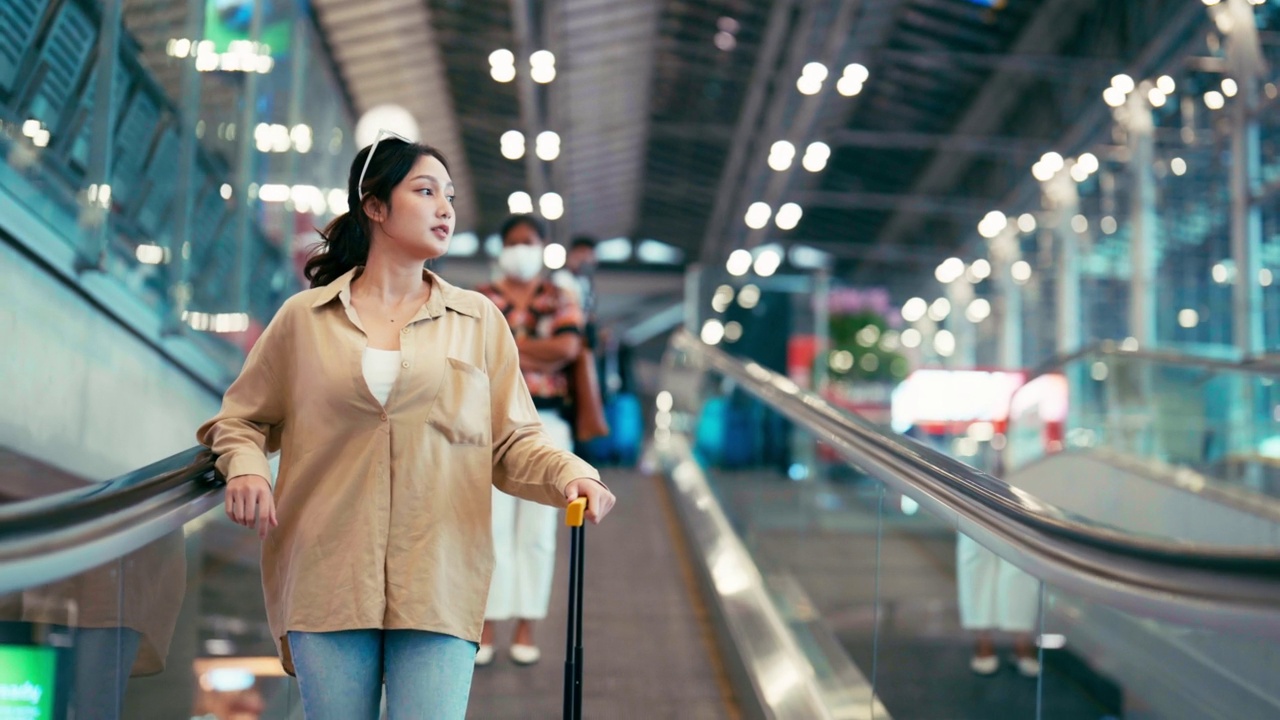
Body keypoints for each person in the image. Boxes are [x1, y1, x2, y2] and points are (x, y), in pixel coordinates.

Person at [196, 133, 616, 719]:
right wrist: (246, 470)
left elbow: (513, 438)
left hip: (441, 577)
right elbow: (241, 419)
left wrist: (572, 473)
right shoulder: (305, 319)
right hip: (327, 574)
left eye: (449, 195)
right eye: (425, 191)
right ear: (374, 205)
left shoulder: (478, 322)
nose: (445, 208)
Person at [474, 215, 587, 667]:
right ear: (502, 248)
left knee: (539, 532)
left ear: (542, 247)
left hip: (549, 422)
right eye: (514, 242)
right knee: (490, 526)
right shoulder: (481, 299)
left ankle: (526, 626)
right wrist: (538, 347)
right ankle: (485, 626)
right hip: (489, 421)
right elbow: (472, 352)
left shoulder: (559, 296)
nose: (522, 249)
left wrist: (507, 347)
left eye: (530, 242)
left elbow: (569, 350)